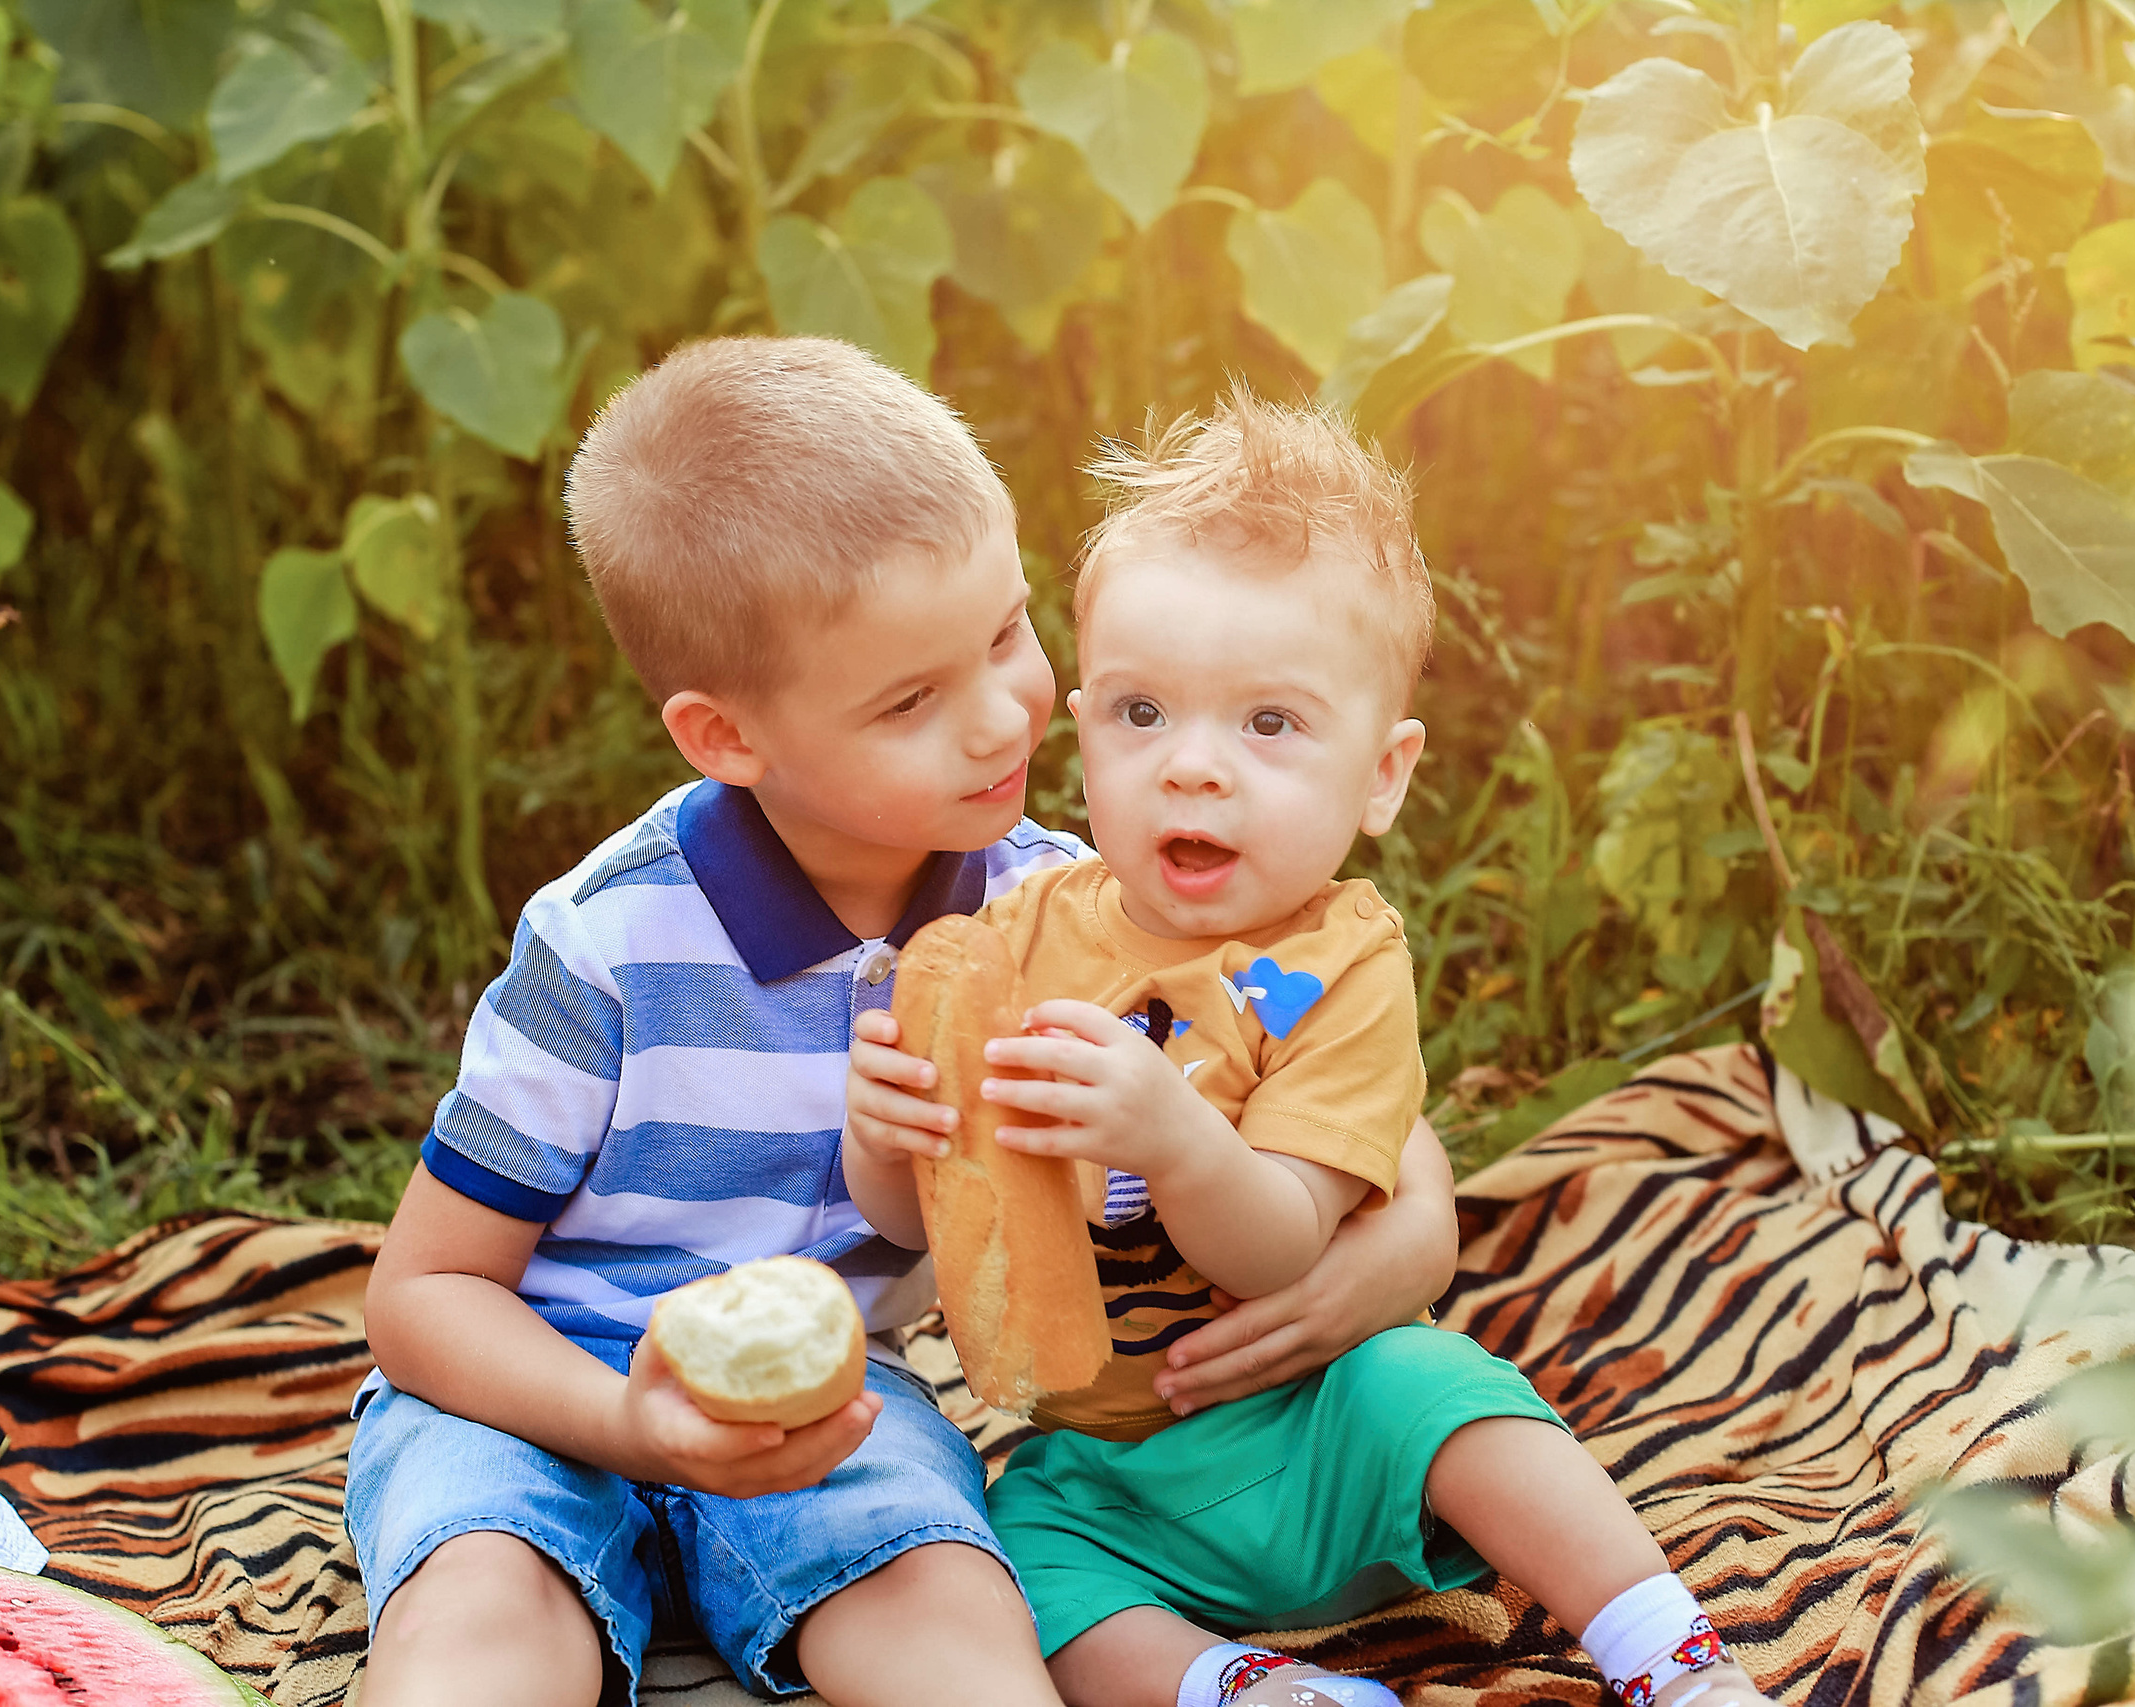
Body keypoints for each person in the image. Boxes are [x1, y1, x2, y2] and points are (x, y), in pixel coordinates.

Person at [347, 338, 1464, 1707]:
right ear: (726, 738)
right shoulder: (608, 948)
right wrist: (626, 1425)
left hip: (843, 1394)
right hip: (530, 1397)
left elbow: (1370, 1125)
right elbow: (422, 1298)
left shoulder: (1066, 905)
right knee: (480, 1632)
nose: (1003, 718)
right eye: (911, 701)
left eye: (1005, 633)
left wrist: (1393, 1256)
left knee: (955, 1622)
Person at [844, 390, 1782, 1707]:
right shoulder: (1016, 934)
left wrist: (1170, 1135)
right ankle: (1251, 1689)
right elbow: (928, 1217)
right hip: (1114, 1467)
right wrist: (884, 1134)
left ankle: (1667, 1658)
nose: (1194, 769)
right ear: (1084, 724)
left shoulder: (1339, 967)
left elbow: (1283, 1238)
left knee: (1447, 1394)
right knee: (1028, 1574)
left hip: (1321, 1424)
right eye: (1141, 712)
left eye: (1269, 724)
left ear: (1383, 775)